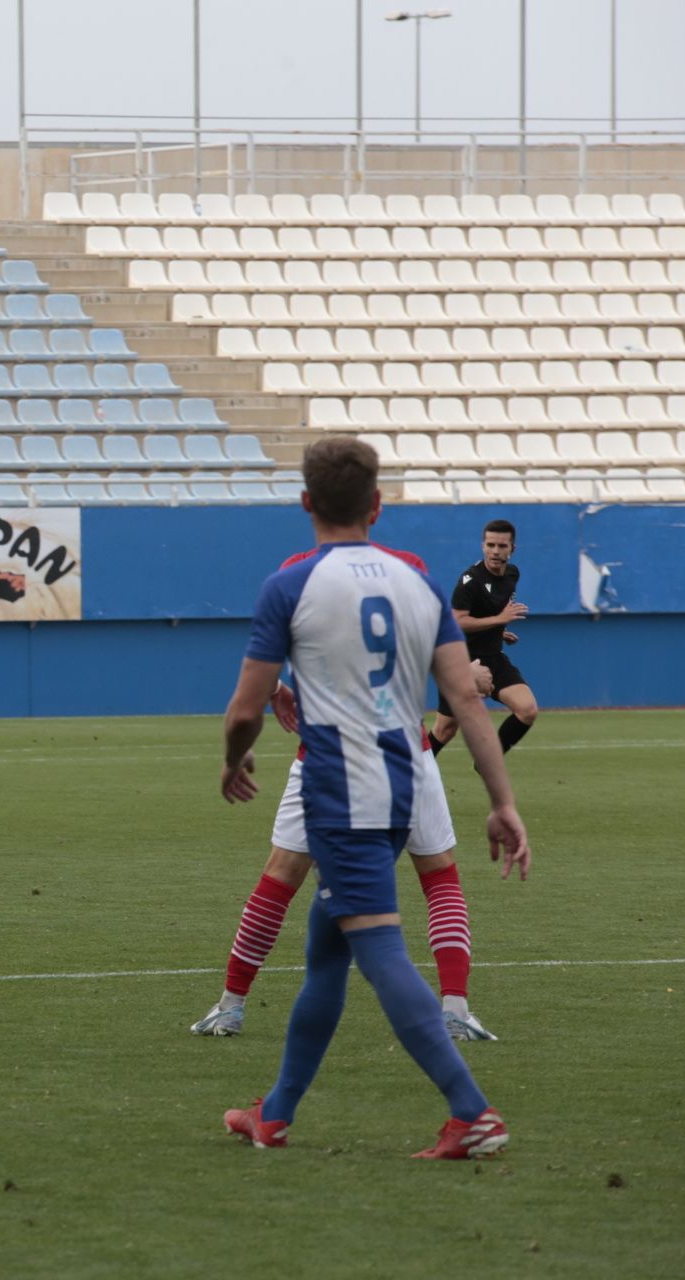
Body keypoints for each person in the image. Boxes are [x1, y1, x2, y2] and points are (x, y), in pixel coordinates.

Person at [218, 436, 530, 1160]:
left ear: (304, 504)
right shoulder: (417, 582)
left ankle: (471, 1111)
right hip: (403, 780)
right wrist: (503, 799)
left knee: (380, 947)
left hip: (341, 790)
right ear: (378, 506)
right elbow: (467, 700)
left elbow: (245, 709)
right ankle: (276, 1112)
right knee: (327, 950)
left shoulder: (290, 585)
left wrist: (235, 761)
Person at [192, 623, 499, 1041]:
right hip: (404, 752)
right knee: (438, 875)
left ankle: (230, 1007)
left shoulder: (296, 578)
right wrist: (469, 678)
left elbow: (262, 672)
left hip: (326, 756)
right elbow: (431, 656)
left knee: (283, 877)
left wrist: (274, 691)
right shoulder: (402, 573)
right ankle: (456, 1011)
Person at [429, 519, 537, 757]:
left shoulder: (512, 574)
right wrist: (499, 621)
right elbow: (456, 622)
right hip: (462, 660)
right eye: (490, 545)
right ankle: (415, 771)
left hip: (493, 657)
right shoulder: (470, 581)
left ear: (512, 549)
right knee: (445, 730)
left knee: (527, 710)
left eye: (501, 546)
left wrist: (498, 632)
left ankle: (489, 760)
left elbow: (487, 614)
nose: (495, 552)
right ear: (482, 546)